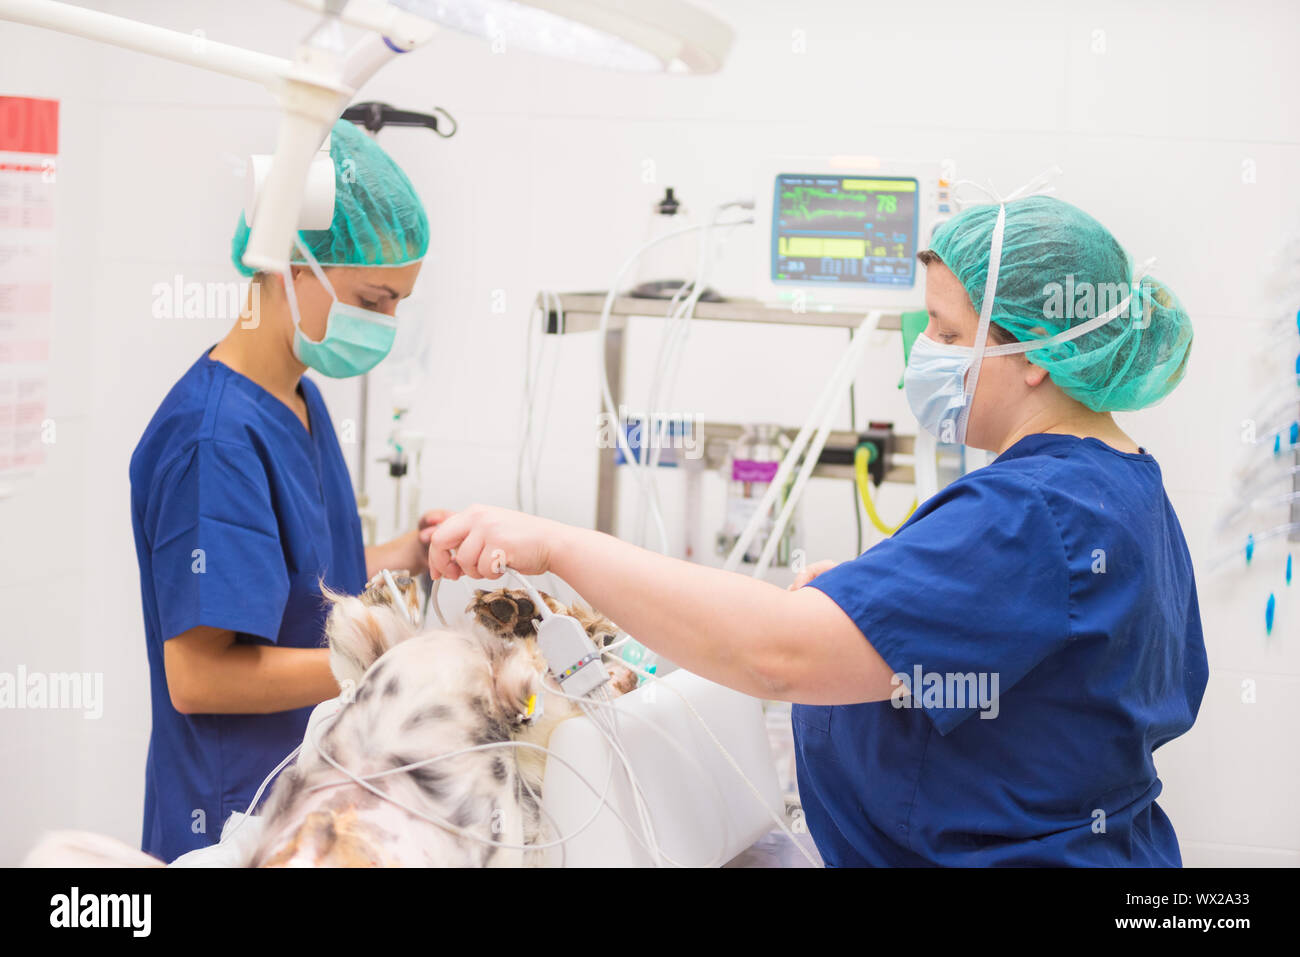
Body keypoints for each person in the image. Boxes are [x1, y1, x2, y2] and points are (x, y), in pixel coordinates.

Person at [424, 195, 1209, 866]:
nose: (920, 353)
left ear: (1033, 354)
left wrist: (558, 545)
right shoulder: (1119, 482)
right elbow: (1016, 663)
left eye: (942, 328)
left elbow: (775, 655)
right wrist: (860, 611)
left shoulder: (1035, 510)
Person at [129, 119, 442, 862]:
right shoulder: (215, 440)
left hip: (303, 793)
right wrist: (390, 661)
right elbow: (199, 677)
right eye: (376, 297)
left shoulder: (295, 395)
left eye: (398, 300)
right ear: (292, 264)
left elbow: (290, 578)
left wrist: (408, 553)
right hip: (232, 815)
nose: (387, 323)